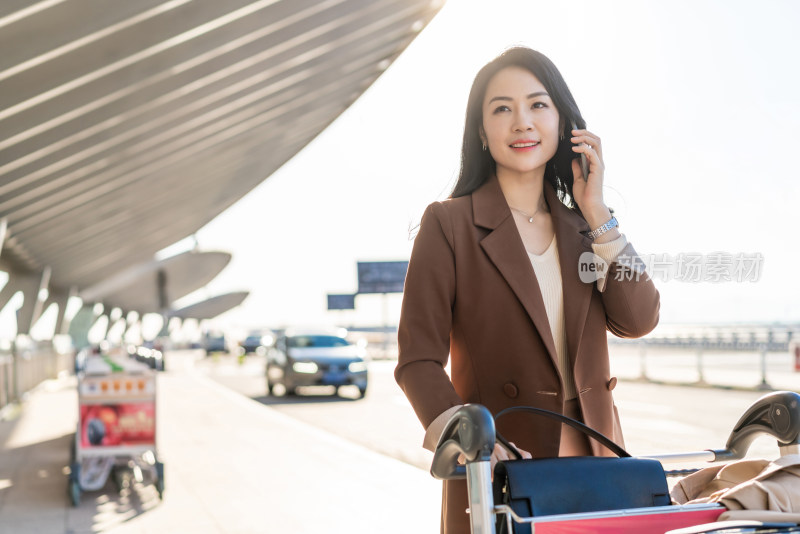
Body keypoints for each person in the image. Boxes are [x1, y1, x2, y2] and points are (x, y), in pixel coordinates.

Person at [394, 46, 661, 533]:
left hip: (600, 471)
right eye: (502, 109)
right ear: (481, 130)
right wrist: (468, 438)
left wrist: (598, 212)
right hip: (500, 475)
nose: (522, 122)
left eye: (538, 105)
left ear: (562, 123)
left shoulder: (585, 229)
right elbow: (417, 360)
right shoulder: (449, 224)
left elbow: (639, 318)